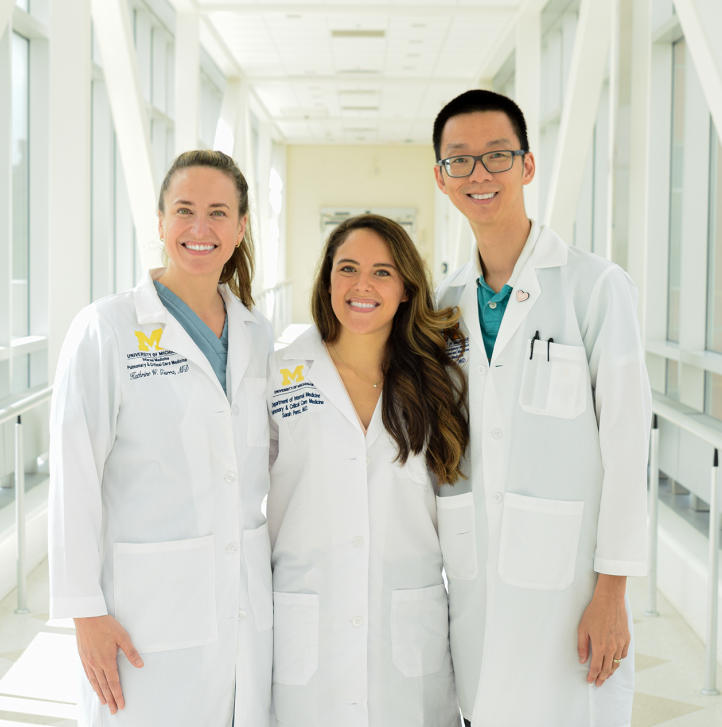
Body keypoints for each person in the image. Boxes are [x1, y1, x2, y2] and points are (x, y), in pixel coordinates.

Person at [431, 89, 652, 726]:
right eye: (461, 161)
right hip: (476, 588)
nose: (480, 175)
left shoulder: (595, 288)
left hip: (571, 589)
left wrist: (613, 591)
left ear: (527, 166)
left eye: (497, 156)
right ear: (442, 179)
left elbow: (627, 445)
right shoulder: (443, 304)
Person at [48, 150, 274, 726]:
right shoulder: (108, 328)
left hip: (242, 601)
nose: (201, 229)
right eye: (185, 211)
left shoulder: (257, 335)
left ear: (242, 226)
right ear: (160, 221)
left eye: (219, 212)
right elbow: (74, 475)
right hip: (143, 612)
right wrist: (84, 613)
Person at [266, 214, 469, 727]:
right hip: (305, 632)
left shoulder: (436, 381)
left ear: (405, 288)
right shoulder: (279, 375)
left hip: (408, 636)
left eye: (382, 272)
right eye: (347, 268)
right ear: (327, 280)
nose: (362, 285)